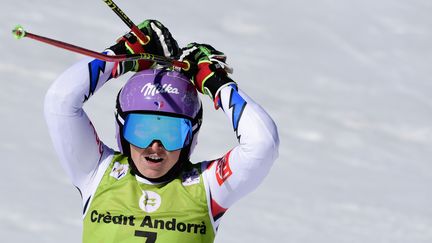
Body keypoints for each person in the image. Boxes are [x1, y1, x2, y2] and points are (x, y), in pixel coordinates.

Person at [44, 19, 279, 243]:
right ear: (122, 128)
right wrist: (121, 57)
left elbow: (262, 144)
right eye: (141, 130)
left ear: (190, 136)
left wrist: (216, 83)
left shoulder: (208, 187)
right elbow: (60, 100)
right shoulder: (97, 172)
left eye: (171, 133)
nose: (155, 146)